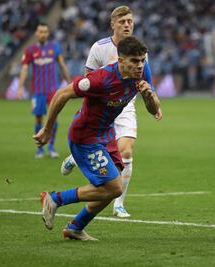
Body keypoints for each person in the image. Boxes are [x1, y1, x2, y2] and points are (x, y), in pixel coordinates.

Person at [35, 36, 162, 241]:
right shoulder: (100, 79)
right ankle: (54, 199)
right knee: (114, 187)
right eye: (134, 61)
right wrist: (47, 129)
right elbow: (62, 94)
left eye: (142, 60)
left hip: (106, 134)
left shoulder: (142, 71)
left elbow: (154, 110)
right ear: (121, 61)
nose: (140, 66)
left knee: (110, 189)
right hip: (85, 137)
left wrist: (149, 97)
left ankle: (75, 228)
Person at [60, 5, 162, 218]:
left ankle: (119, 203)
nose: (127, 25)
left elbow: (147, 83)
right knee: (106, 153)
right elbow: (88, 80)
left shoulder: (139, 52)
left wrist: (154, 104)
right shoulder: (99, 48)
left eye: (130, 21)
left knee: (126, 152)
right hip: (100, 106)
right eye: (122, 21)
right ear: (112, 24)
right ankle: (77, 157)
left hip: (125, 105)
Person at [17, 22, 71, 159]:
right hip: (38, 91)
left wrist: (70, 82)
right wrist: (20, 86)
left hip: (53, 90)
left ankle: (51, 147)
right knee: (38, 119)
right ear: (36, 33)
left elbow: (62, 64)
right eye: (40, 31)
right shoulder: (30, 50)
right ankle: (40, 149)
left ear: (48, 33)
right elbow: (24, 68)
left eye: (45, 32)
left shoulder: (55, 48)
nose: (43, 34)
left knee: (53, 117)